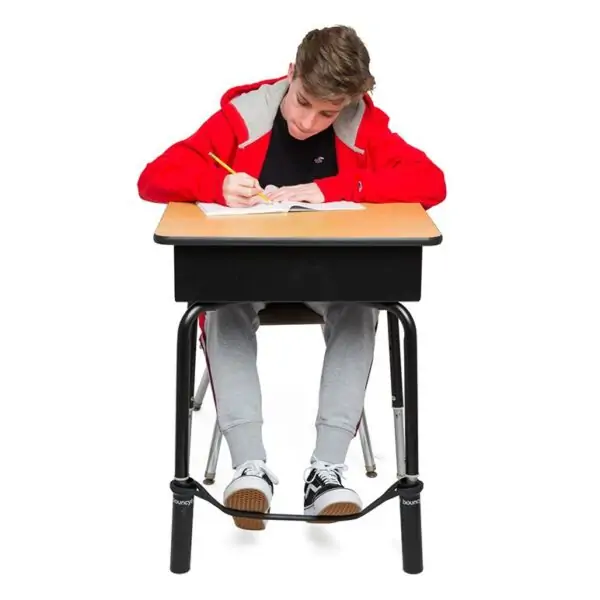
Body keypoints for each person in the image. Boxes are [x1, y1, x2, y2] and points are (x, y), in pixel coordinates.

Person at [138, 25, 446, 530]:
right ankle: (248, 469)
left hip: (330, 275)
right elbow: (152, 177)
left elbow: (431, 181)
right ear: (291, 74)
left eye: (327, 112)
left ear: (350, 102)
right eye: (302, 101)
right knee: (221, 306)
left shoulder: (362, 124)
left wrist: (336, 188)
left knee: (361, 305)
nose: (308, 122)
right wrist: (215, 182)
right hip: (249, 274)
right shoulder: (246, 114)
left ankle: (326, 472)